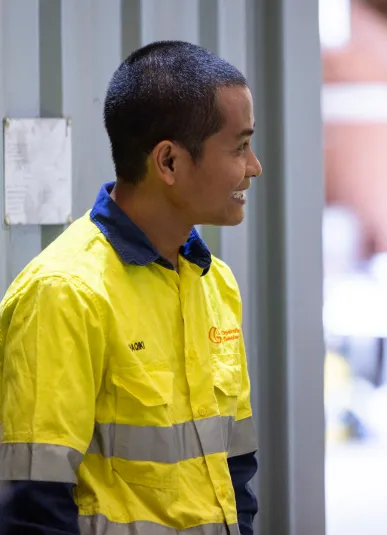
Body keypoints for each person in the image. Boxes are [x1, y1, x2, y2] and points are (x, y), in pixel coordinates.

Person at [0, 40, 262, 535]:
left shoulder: (216, 284)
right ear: (168, 162)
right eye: (241, 146)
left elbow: (236, 475)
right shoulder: (64, 293)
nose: (254, 167)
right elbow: (35, 507)